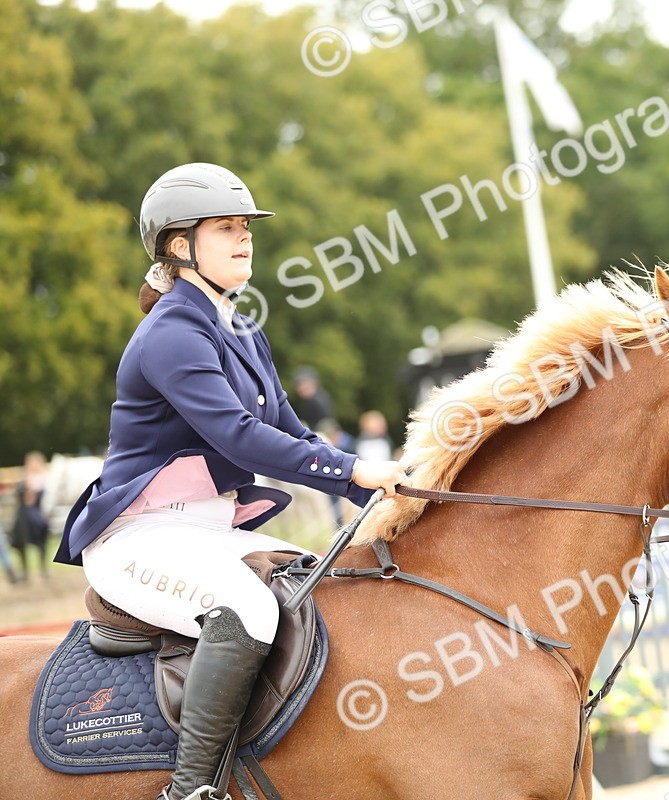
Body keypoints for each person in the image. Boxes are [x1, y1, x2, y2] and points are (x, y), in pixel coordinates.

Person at [54, 163, 407, 800]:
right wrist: (354, 467)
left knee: (329, 585)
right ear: (178, 245)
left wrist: (384, 490)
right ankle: (192, 790)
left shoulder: (240, 329)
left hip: (209, 534)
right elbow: (241, 438)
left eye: (245, 227)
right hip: (138, 542)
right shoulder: (170, 335)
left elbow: (293, 433)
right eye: (226, 228)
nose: (244, 238)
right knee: (245, 610)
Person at [11, 451, 51, 581]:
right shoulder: (25, 478)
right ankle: (25, 571)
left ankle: (43, 570)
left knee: (41, 543)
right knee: (20, 543)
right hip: (23, 516)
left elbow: (39, 499)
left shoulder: (42, 479)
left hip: (35, 514)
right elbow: (19, 495)